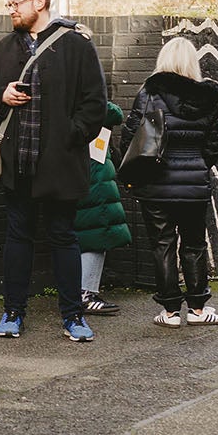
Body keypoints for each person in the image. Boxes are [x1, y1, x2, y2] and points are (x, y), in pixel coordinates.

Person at [0, 0, 109, 342]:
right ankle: (13, 313)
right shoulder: (5, 48)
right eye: (9, 5)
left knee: (64, 237)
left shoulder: (76, 45)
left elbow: (95, 103)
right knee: (18, 237)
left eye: (15, 3)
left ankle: (73, 317)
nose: (11, 10)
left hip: (60, 164)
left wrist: (70, 136)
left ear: (39, 1)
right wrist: (0, 95)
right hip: (16, 164)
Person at [117, 38, 218, 327]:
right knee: (194, 245)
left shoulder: (150, 93)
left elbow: (131, 136)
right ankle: (197, 310)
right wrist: (198, 166)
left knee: (162, 245)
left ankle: (169, 312)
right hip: (194, 185)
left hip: (156, 184)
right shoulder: (207, 97)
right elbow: (214, 143)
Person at [74, 98, 131, 315]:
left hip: (78, 167)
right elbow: (112, 113)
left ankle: (78, 291)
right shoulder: (80, 88)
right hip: (92, 170)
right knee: (97, 230)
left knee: (82, 229)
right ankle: (85, 293)